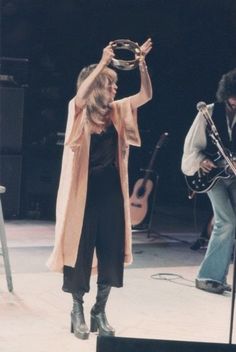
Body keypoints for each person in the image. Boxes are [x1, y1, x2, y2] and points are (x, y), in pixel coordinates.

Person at [47, 38, 153, 339]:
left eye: (113, 84)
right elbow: (80, 97)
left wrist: (141, 63)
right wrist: (103, 63)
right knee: (79, 254)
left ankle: (99, 310)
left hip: (110, 194)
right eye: (109, 84)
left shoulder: (118, 111)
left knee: (111, 252)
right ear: (95, 87)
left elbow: (145, 94)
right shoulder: (79, 112)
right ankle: (77, 310)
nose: (114, 89)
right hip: (83, 195)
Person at [182, 68, 236, 294]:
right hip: (212, 178)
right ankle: (207, 277)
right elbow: (191, 147)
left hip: (232, 176)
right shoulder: (209, 112)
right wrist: (201, 160)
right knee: (227, 221)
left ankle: (218, 277)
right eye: (233, 100)